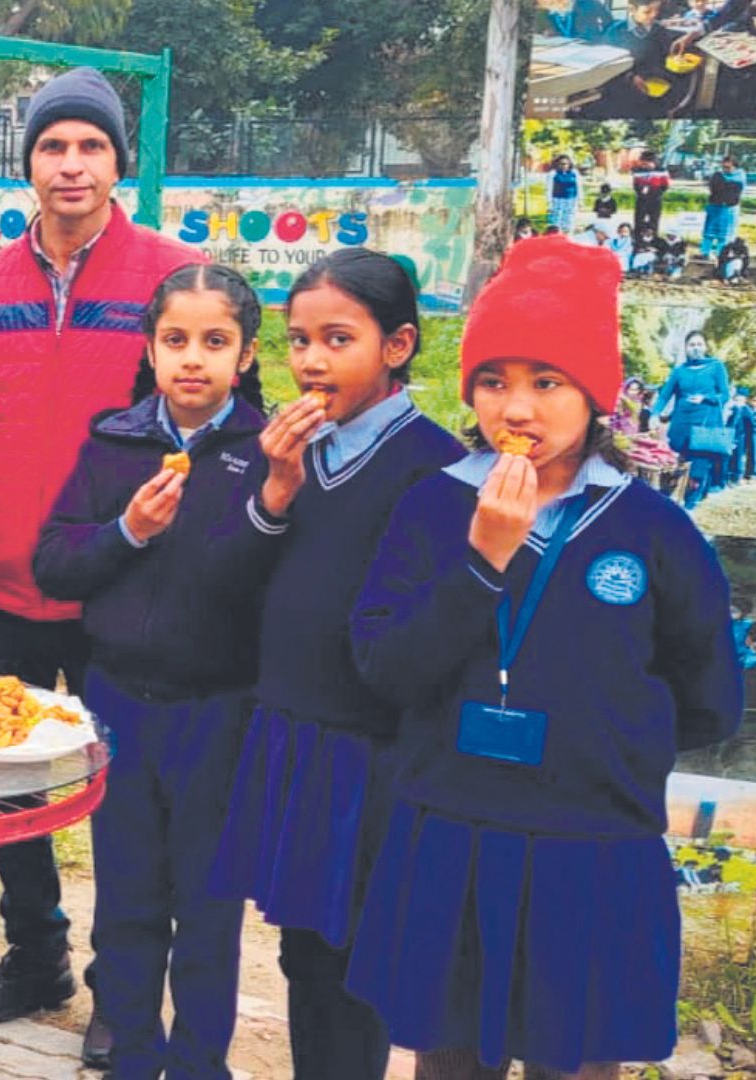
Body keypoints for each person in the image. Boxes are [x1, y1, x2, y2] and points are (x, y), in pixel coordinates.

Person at [345, 235, 743, 1080]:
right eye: (493, 382)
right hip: (451, 826)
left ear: (595, 395)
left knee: (577, 1057)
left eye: (546, 382)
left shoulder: (654, 531)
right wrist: (481, 561)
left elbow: (711, 698)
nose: (515, 410)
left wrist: (605, 749)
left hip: (589, 842)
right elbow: (384, 667)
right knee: (448, 1056)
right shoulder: (432, 510)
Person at [0, 66, 210, 1068]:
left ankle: (124, 993)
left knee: (127, 801)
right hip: (2, 587)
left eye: (91, 145)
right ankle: (34, 953)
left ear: (118, 162)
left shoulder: (169, 281)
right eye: (54, 146)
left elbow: (207, 426)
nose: (72, 164)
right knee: (7, 791)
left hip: (121, 591)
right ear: (30, 163)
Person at [206, 248, 464, 1080]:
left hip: (374, 750)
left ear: (397, 347)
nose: (312, 361)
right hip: (292, 733)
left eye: (338, 338)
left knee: (355, 959)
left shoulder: (437, 466)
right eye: (298, 340)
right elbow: (232, 591)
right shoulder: (293, 452)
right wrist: (274, 492)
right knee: (303, 951)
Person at [32, 263, 270, 1080]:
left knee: (209, 906)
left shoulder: (269, 451)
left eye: (215, 341)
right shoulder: (115, 443)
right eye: (175, 340)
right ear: (150, 347)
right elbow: (54, 564)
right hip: (120, 705)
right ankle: (131, 1054)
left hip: (223, 710)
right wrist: (125, 531)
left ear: (244, 356)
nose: (193, 360)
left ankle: (203, 1062)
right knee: (129, 899)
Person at [654, 330, 732, 508]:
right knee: (671, 466)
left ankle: (690, 505)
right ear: (686, 348)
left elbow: (725, 395)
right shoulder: (679, 371)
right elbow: (664, 395)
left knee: (698, 469)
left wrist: (706, 399)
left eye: (699, 344)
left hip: (705, 424)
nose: (696, 348)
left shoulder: (716, 366)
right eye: (692, 345)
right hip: (681, 424)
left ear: (705, 347)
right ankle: (666, 504)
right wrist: (654, 413)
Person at [701, 157, 746, 260]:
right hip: (715, 207)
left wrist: (725, 190)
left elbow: (735, 191)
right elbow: (714, 189)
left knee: (725, 234)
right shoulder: (717, 175)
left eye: (728, 167)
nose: (725, 169)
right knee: (709, 232)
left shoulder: (740, 176)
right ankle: (705, 252)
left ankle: (722, 254)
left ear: (735, 167)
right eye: (723, 167)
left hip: (729, 209)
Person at [631, 152, 669, 238]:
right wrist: (641, 193)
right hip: (642, 199)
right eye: (642, 163)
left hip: (655, 199)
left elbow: (665, 185)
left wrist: (656, 193)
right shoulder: (637, 171)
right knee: (639, 220)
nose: (644, 165)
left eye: (646, 163)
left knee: (654, 220)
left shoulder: (661, 170)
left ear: (654, 162)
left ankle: (653, 238)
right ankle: (638, 238)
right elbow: (635, 185)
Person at [725, 387, 756, 488]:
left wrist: (746, 437)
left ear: (745, 400)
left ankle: (736, 478)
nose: (738, 401)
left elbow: (751, 426)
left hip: (740, 437)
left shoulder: (746, 410)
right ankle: (726, 477)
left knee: (737, 458)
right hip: (729, 435)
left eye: (741, 399)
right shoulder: (732, 408)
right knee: (727, 457)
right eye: (736, 399)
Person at [538, 0, 616, 41]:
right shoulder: (551, 6)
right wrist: (553, 31)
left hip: (590, 44)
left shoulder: (588, 3)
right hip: (564, 46)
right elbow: (558, 25)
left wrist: (605, 38)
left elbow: (609, 22)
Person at [546, 157, 580, 234]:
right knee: (556, 220)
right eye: (561, 164)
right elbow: (549, 188)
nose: (563, 166)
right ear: (557, 164)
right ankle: (556, 236)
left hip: (571, 200)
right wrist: (549, 203)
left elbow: (578, 186)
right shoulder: (553, 174)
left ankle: (568, 236)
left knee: (569, 219)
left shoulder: (574, 173)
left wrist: (580, 200)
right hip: (557, 200)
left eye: (566, 164)